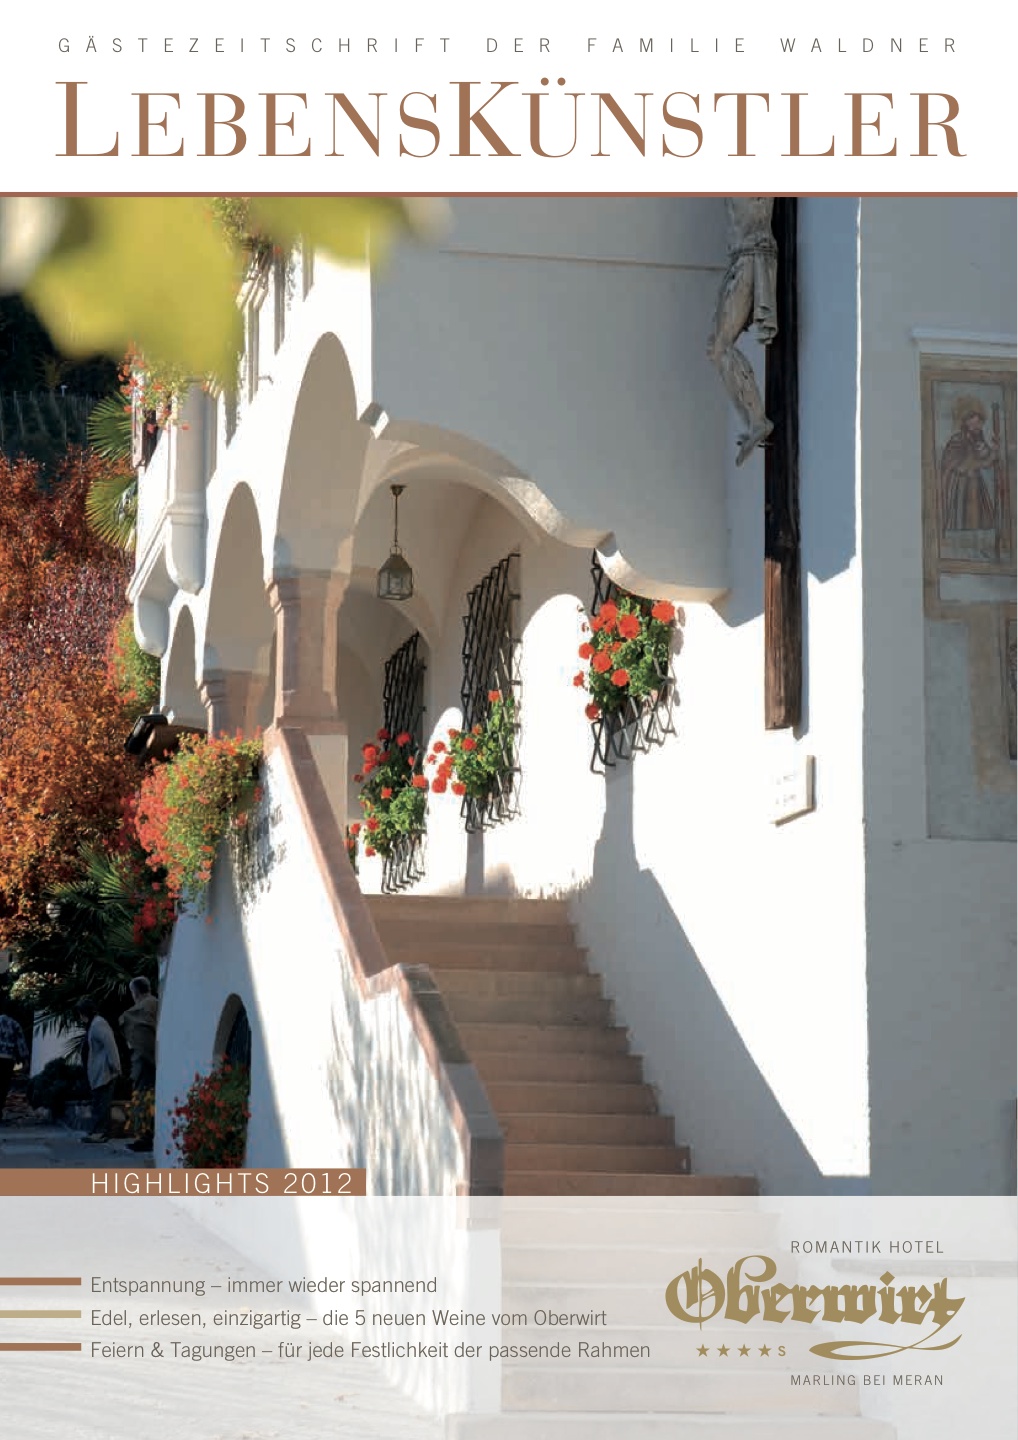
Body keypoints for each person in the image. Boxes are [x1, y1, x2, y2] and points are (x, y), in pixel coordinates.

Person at [707, 196, 779, 467]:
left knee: (720, 346)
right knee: (715, 348)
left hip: (751, 257)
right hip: (741, 258)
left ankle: (758, 421)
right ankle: (754, 420)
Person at [119, 977, 158, 1153]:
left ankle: (145, 1137)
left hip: (143, 1060)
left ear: (135, 992)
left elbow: (127, 1021)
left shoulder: (141, 1007)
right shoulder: (157, 1003)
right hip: (155, 1058)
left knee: (143, 1097)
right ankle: (147, 1135)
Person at [75, 999, 122, 1143]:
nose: (80, 1018)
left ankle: (100, 1132)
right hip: (98, 1071)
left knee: (102, 1103)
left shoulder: (98, 1024)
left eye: (81, 1014)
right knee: (98, 1102)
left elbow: (110, 1045)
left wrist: (116, 1066)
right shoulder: (94, 1025)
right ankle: (97, 1131)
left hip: (104, 1071)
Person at [0, 1005, 29, 1122]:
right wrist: (25, 1060)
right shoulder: (15, 1024)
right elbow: (21, 1044)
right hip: (7, 1060)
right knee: (3, 1086)